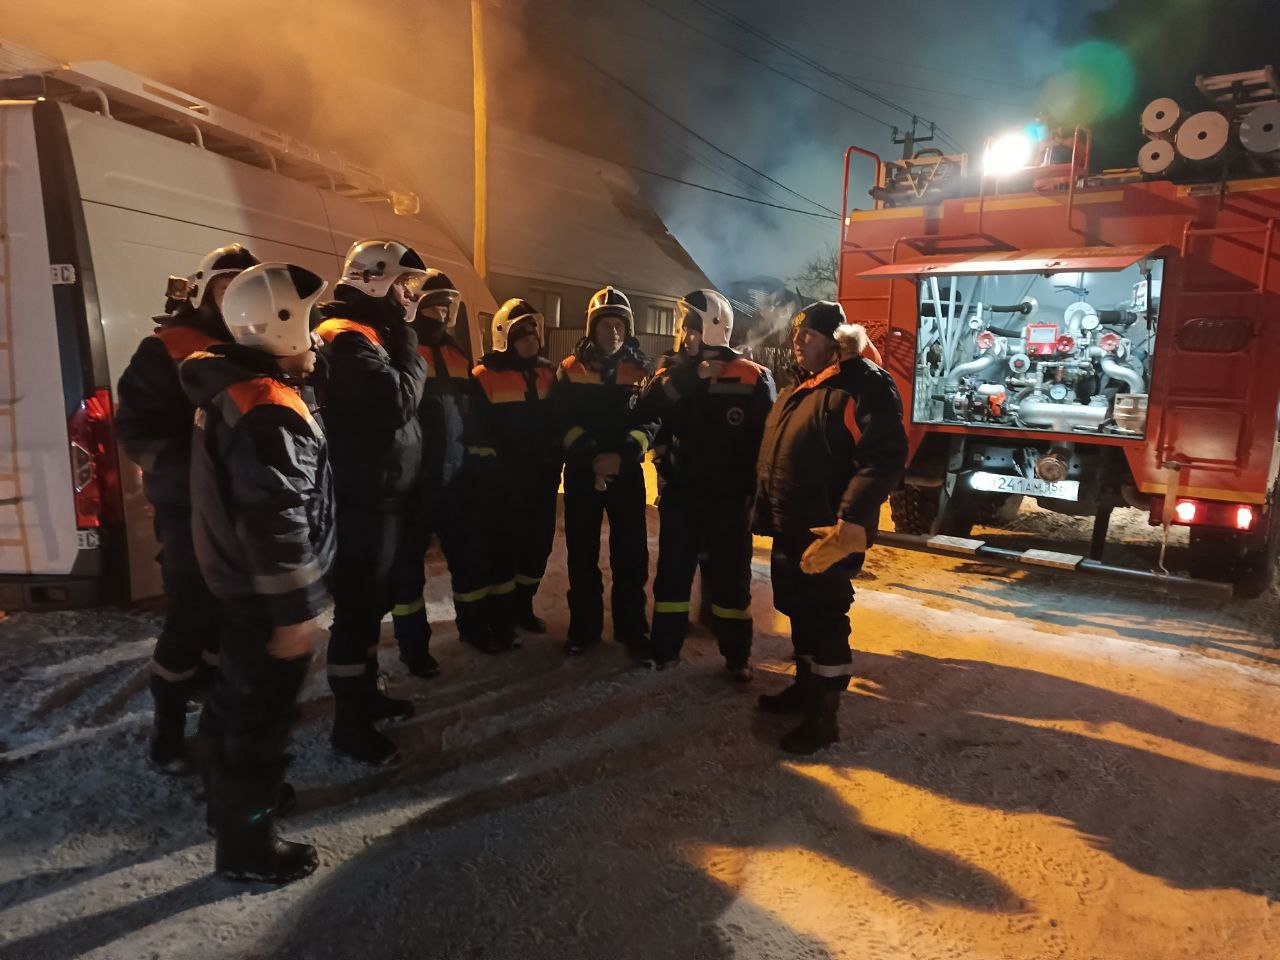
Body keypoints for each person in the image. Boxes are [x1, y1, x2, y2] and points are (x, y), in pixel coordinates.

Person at [181, 261, 332, 884]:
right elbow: (276, 520)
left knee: (233, 705)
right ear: (282, 323)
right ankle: (247, 847)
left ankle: (228, 808)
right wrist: (295, 611)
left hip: (235, 584)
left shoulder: (236, 385)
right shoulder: (265, 406)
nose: (318, 332)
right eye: (311, 319)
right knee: (260, 719)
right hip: (263, 595)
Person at [116, 243, 259, 774]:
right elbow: (137, 431)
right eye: (225, 288)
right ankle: (168, 732)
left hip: (249, 509)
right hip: (189, 511)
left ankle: (218, 720)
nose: (234, 299)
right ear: (203, 291)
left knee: (235, 620)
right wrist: (197, 475)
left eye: (245, 289)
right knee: (191, 618)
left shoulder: (261, 344)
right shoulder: (168, 347)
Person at [753, 301, 907, 754]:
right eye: (797, 334)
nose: (798, 342)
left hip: (829, 531)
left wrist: (853, 520)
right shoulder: (804, 387)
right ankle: (805, 688)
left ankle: (824, 717)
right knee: (799, 608)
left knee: (825, 616)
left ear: (836, 341)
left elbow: (883, 458)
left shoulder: (864, 386)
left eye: (810, 335)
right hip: (792, 524)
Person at [314, 239, 429, 766]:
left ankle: (366, 697)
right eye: (405, 285)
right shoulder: (345, 338)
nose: (411, 297)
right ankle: (350, 725)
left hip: (378, 493)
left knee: (370, 607)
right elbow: (399, 400)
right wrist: (408, 340)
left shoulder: (366, 331)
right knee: (356, 614)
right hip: (360, 498)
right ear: (376, 279)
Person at [635, 289, 775, 679]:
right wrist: (691, 377)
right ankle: (664, 650)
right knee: (673, 578)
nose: (685, 334)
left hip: (731, 502)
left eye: (692, 326)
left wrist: (758, 498)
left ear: (714, 327)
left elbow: (767, 444)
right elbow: (646, 408)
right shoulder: (676, 369)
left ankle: (737, 656)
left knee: (731, 582)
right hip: (681, 495)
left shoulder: (753, 376)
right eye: (684, 327)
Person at [388, 269, 490, 670]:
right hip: (417, 479)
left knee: (469, 559)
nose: (442, 313)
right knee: (408, 570)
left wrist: (478, 459)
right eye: (434, 305)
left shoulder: (456, 352)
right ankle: (414, 649)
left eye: (447, 306)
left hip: (457, 478)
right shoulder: (401, 349)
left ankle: (475, 628)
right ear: (416, 306)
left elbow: (473, 413)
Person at [555, 286, 657, 655]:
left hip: (626, 474)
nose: (612, 332)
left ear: (627, 329)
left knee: (630, 554)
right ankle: (584, 628)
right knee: (582, 553)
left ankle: (631, 628)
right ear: (592, 329)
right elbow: (560, 419)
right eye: (605, 325)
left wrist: (626, 453)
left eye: (618, 325)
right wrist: (589, 454)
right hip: (582, 474)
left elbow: (652, 421)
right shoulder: (569, 369)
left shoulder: (643, 371)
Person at [469, 299, 562, 641]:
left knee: (537, 549)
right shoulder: (484, 375)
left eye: (532, 333)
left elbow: (559, 420)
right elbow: (477, 430)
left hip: (542, 480)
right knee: (503, 552)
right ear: (503, 337)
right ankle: (502, 618)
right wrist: (490, 472)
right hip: (504, 484)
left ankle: (524, 607)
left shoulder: (547, 372)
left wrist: (557, 455)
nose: (529, 340)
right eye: (520, 334)